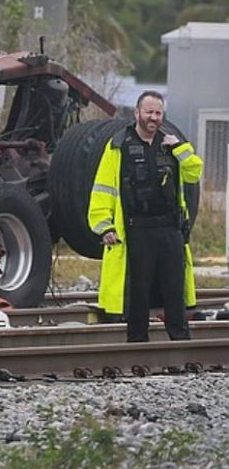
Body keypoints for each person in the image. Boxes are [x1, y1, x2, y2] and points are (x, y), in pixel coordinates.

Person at [88, 90, 203, 342]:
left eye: (158, 113)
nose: (154, 117)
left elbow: (194, 172)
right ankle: (138, 342)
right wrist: (104, 226)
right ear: (137, 113)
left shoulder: (171, 145)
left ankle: (181, 341)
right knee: (138, 290)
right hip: (136, 230)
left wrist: (180, 147)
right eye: (149, 112)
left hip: (170, 229)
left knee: (175, 288)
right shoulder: (119, 145)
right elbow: (103, 188)